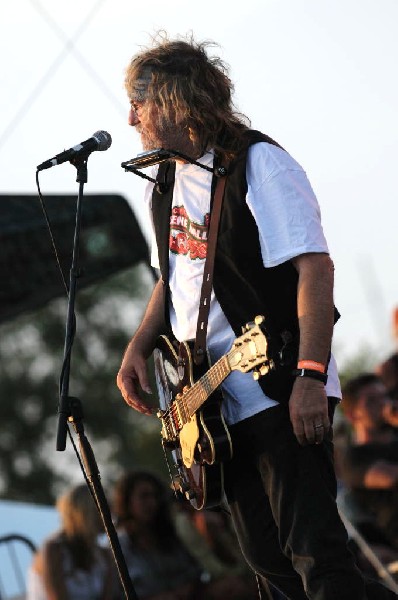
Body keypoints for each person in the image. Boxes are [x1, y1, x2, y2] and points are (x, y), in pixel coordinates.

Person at [116, 33, 398, 599]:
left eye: (139, 102)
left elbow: (315, 270)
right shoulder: (165, 182)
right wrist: (138, 347)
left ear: (174, 100)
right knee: (270, 568)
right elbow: (171, 283)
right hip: (213, 405)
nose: (130, 118)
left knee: (317, 557)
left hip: (281, 384)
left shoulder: (258, 163)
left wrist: (311, 377)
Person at [111, 469, 204, 599]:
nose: (151, 502)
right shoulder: (118, 547)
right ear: (127, 501)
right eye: (144, 496)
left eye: (155, 496)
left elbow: (195, 572)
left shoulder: (169, 534)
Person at [339, 373, 398, 556]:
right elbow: (392, 478)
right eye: (372, 401)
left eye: (384, 396)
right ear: (352, 415)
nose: (383, 404)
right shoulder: (354, 457)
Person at [26, 483, 117, 600]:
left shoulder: (104, 555)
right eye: (103, 511)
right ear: (84, 514)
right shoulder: (54, 550)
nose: (111, 517)